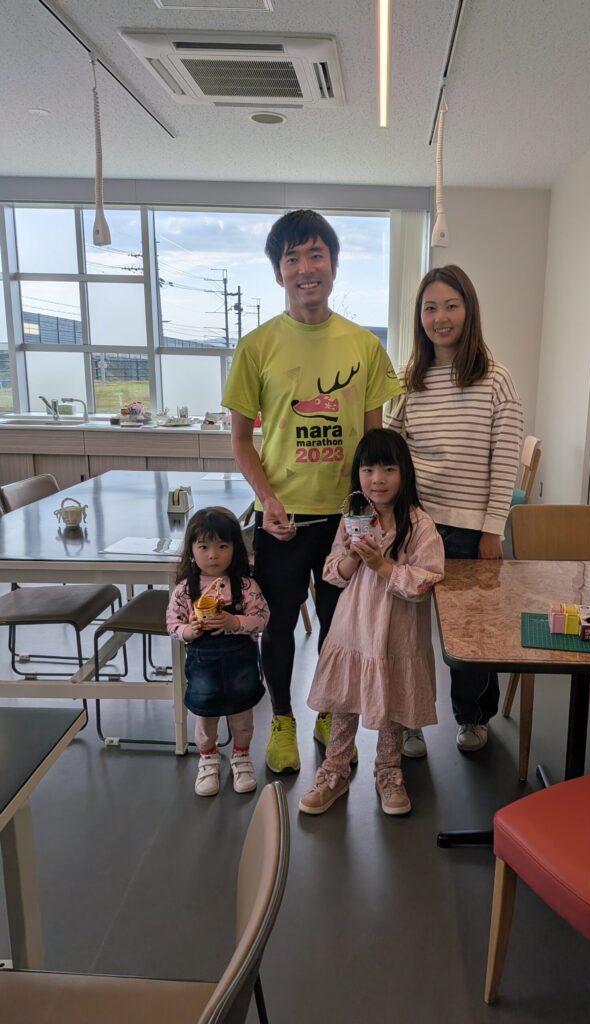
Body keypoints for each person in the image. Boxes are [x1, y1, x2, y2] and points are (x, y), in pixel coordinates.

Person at [223, 210, 402, 775]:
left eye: (316, 254)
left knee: (339, 626)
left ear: (334, 265)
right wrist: (268, 499)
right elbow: (240, 441)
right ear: (278, 272)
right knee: (278, 623)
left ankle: (329, 711)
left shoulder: (364, 346)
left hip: (347, 520)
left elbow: (374, 444)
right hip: (282, 519)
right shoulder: (256, 346)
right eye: (293, 258)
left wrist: (375, 512)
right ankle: (282, 719)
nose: (306, 268)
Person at [387, 265, 523, 756]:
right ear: (419, 316)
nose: (440, 317)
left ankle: (473, 717)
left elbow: (505, 461)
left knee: (471, 633)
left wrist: (492, 530)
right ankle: (409, 719)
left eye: (450, 306)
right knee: (406, 633)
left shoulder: (496, 379)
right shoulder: (408, 379)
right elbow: (393, 450)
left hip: (469, 530)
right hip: (416, 527)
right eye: (430, 308)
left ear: (469, 311)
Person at [299, 428, 444, 816]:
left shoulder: (419, 525)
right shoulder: (353, 519)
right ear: (358, 475)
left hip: (398, 633)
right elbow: (332, 574)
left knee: (392, 703)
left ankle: (388, 770)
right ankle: (334, 769)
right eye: (368, 470)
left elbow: (426, 581)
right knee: (344, 702)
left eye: (388, 469)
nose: (377, 479)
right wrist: (352, 556)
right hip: (354, 628)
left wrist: (381, 565)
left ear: (405, 472)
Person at [167, 507, 270, 797]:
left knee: (242, 717)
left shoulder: (246, 586)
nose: (213, 555)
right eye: (203, 547)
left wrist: (235, 622)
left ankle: (241, 756)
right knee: (205, 717)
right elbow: (172, 624)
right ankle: (208, 758)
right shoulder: (184, 590)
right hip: (203, 665)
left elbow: (262, 618)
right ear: (191, 550)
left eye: (222, 546)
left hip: (240, 664)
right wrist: (188, 631)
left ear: (235, 548)